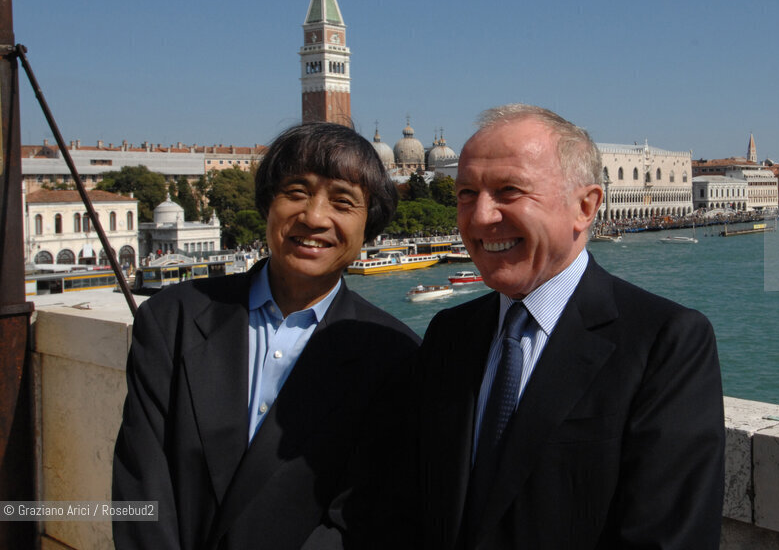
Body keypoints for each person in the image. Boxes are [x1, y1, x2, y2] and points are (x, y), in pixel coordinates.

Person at [416, 104, 725, 549]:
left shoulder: (666, 342)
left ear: (585, 206)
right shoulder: (449, 334)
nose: (480, 217)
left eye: (508, 191)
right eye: (466, 194)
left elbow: (668, 537)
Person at [112, 122, 420, 550]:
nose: (314, 217)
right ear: (267, 204)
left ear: (369, 227)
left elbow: (364, 514)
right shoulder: (170, 319)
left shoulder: (394, 355)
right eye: (296, 192)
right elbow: (141, 484)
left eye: (342, 202)